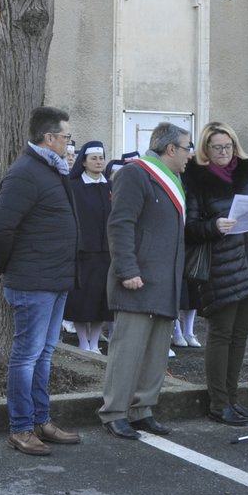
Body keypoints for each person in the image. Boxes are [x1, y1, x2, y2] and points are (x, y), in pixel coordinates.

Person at [0, 106, 84, 456]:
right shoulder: (26, 173)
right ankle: (21, 428)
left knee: (44, 354)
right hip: (33, 282)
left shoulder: (51, 169)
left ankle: (42, 421)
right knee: (26, 356)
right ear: (49, 138)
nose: (70, 144)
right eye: (67, 138)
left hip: (55, 279)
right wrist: (8, 265)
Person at [99, 122, 191, 439]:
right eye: (187, 148)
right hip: (138, 279)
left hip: (164, 281)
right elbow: (120, 224)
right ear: (171, 149)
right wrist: (127, 269)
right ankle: (114, 411)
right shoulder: (135, 173)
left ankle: (141, 409)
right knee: (128, 350)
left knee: (154, 352)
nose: (190, 154)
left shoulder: (175, 179)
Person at [183, 121, 248, 426]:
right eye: (216, 147)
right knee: (221, 334)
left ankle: (233, 399)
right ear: (205, 150)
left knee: (240, 335)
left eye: (227, 146)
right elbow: (190, 227)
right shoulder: (196, 179)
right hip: (221, 266)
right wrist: (213, 226)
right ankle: (218, 402)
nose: (223, 152)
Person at [65, 140, 113, 354]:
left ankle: (95, 342)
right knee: (82, 299)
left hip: (107, 253)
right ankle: (83, 341)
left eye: (101, 158)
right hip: (83, 252)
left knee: (102, 299)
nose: (98, 162)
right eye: (93, 158)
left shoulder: (109, 186)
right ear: (83, 161)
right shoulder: (74, 186)